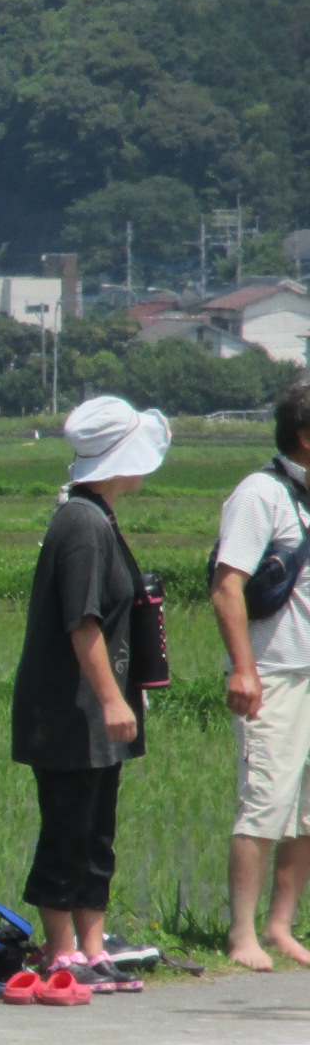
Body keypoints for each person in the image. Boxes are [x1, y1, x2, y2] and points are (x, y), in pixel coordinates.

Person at [11, 395, 167, 977]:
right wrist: (110, 699)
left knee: (98, 834)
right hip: (71, 713)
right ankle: (60, 953)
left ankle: (93, 950)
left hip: (93, 715)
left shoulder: (97, 517)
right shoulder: (81, 524)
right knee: (68, 831)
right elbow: (83, 621)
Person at [210, 380, 310, 969]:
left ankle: (281, 925)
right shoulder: (260, 494)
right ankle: (241, 932)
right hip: (272, 672)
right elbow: (227, 586)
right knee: (265, 802)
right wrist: (243, 670)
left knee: (305, 810)